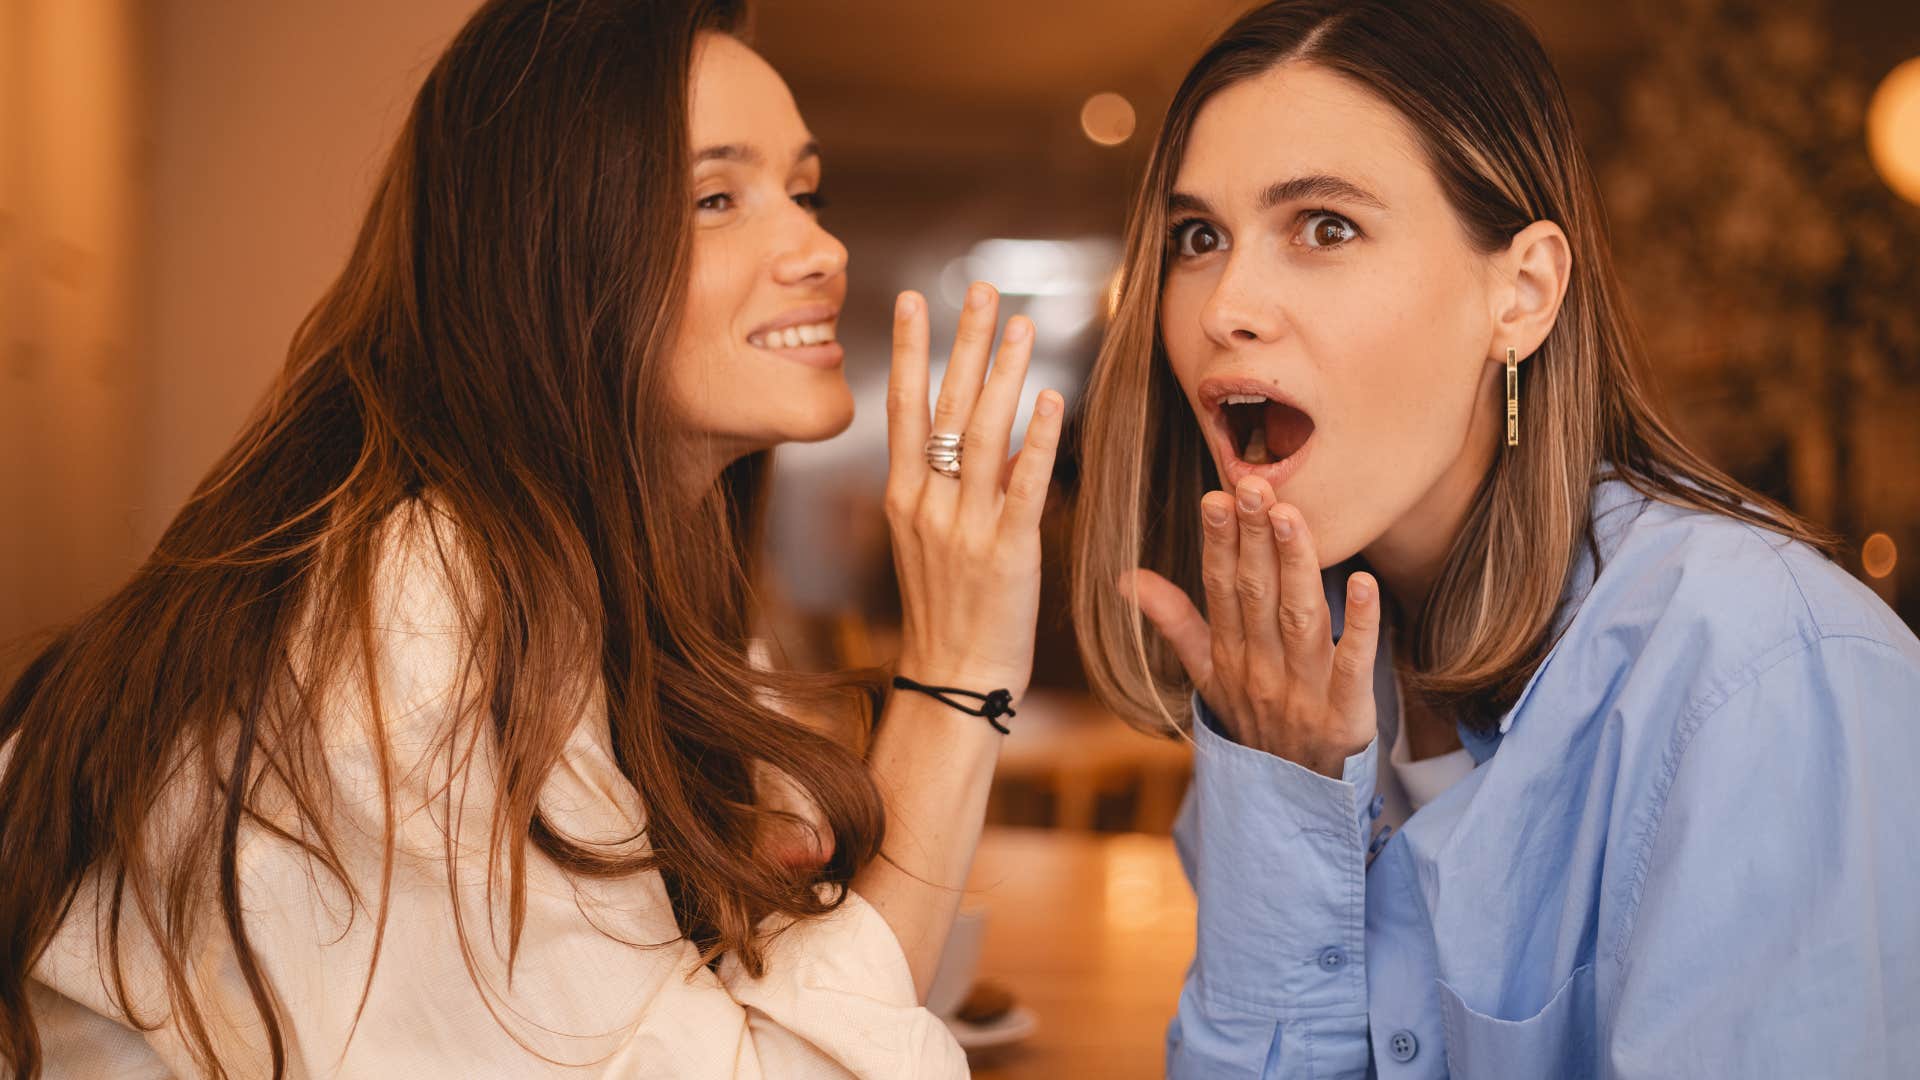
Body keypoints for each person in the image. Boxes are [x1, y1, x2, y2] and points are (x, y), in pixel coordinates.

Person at [0, 1, 1060, 1076]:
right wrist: (960, 675)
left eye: (802, 189)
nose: (820, 247)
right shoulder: (424, 614)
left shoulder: (634, 577)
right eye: (715, 198)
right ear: (549, 251)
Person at [1069, 1, 1920, 1075]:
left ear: (1520, 295)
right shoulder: (1289, 680)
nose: (1224, 306)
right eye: (1200, 238)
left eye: (1325, 226)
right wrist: (1283, 797)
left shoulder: (1765, 676)